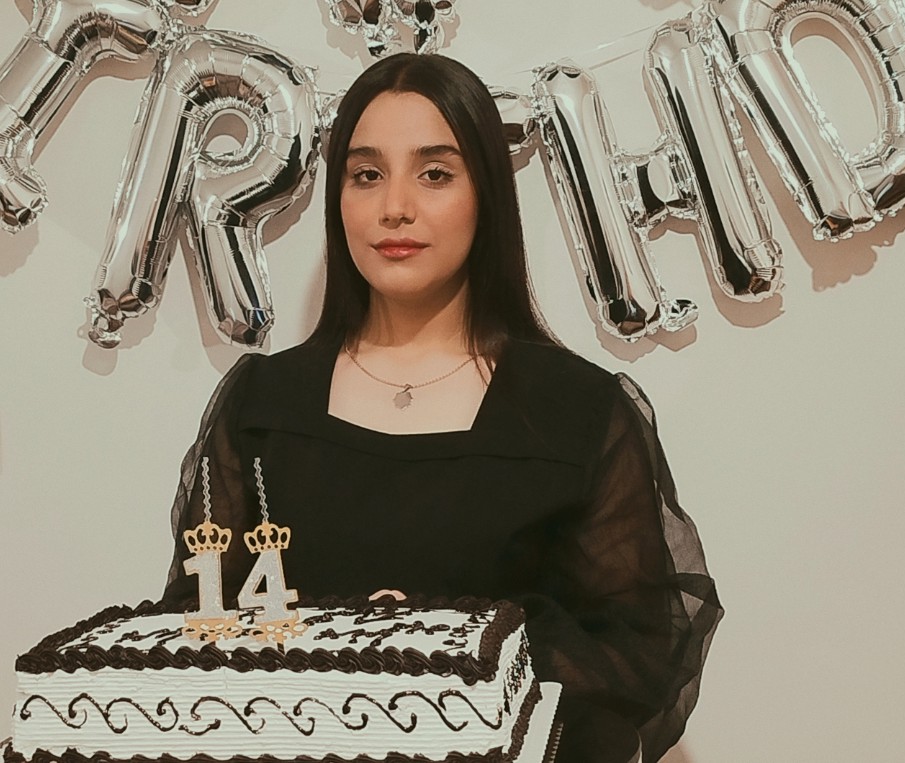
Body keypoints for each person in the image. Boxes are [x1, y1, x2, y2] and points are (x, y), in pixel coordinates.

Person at [163, 52, 723, 763]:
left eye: (434, 173)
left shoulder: (576, 409)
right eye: (366, 175)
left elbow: (636, 653)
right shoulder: (264, 404)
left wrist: (456, 640)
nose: (395, 206)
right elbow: (193, 630)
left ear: (486, 193)